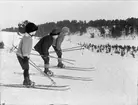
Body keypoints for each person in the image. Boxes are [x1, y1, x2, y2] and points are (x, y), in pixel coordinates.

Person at [16, 22, 38, 86]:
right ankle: (26, 81)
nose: (35, 32)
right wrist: (25, 56)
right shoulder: (27, 38)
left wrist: (27, 55)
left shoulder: (28, 37)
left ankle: (27, 80)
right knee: (26, 68)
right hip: (21, 55)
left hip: (24, 55)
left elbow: (27, 47)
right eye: (34, 31)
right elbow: (24, 47)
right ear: (31, 31)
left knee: (26, 68)